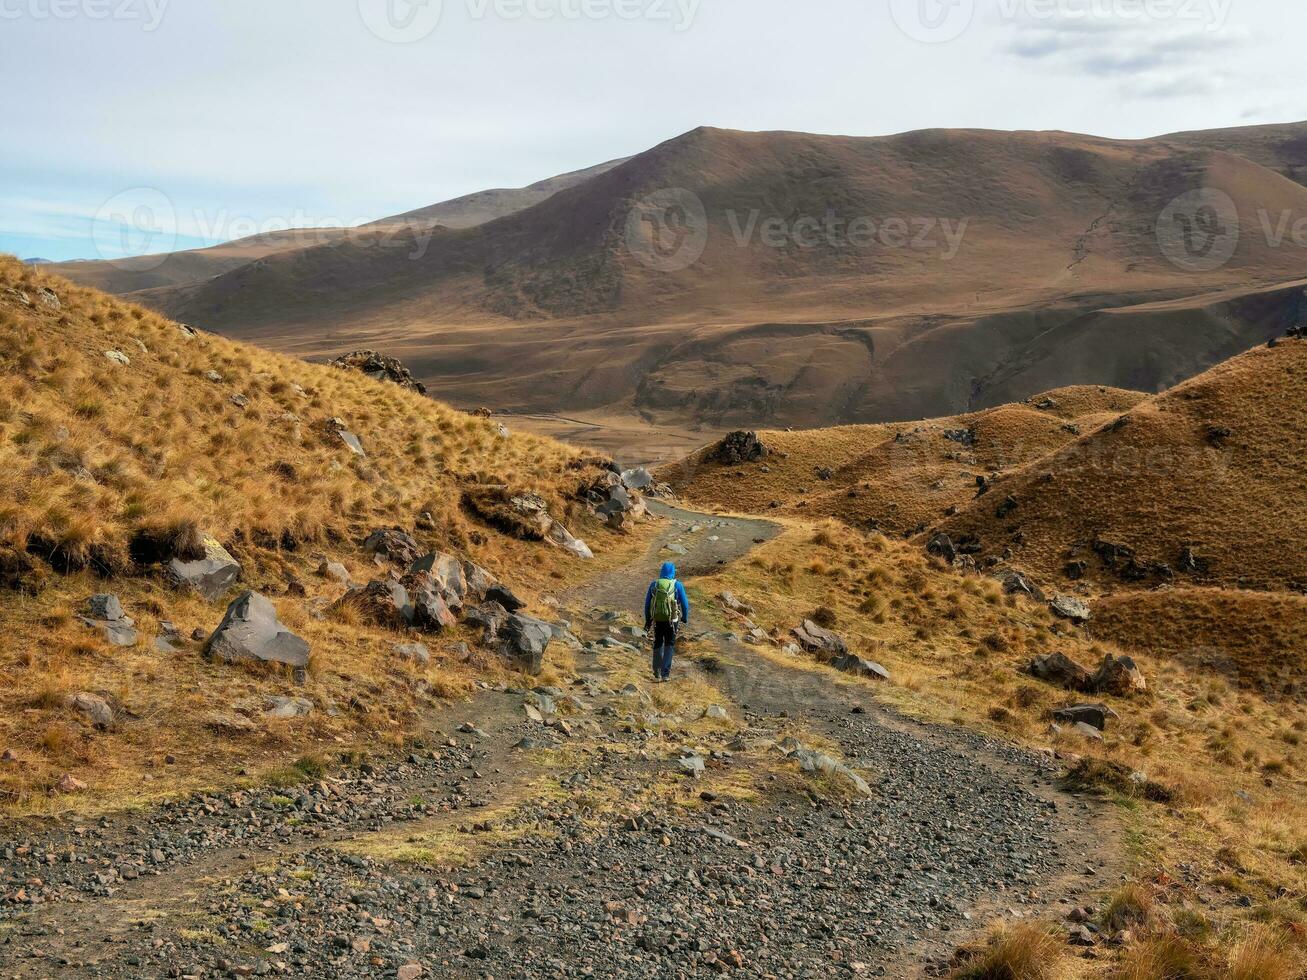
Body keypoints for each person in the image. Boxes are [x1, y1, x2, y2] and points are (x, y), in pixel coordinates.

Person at [644, 561, 690, 683]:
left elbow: (647, 604)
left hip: (658, 619)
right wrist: (685, 617)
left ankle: (657, 671)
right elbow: (685, 604)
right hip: (672, 619)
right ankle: (665, 674)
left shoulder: (654, 584)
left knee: (658, 641)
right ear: (673, 572)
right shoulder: (677, 585)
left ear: (662, 571)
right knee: (669, 644)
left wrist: (648, 620)